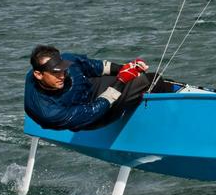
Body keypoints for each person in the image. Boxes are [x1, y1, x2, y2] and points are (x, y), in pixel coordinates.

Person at [24, 45, 176, 131]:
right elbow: (93, 111)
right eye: (55, 73)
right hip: (94, 116)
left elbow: (94, 66)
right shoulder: (50, 112)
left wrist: (127, 68)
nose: (62, 76)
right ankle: (173, 119)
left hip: (87, 90)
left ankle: (167, 90)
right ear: (38, 75)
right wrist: (122, 80)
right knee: (148, 80)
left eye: (63, 69)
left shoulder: (66, 60)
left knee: (141, 76)